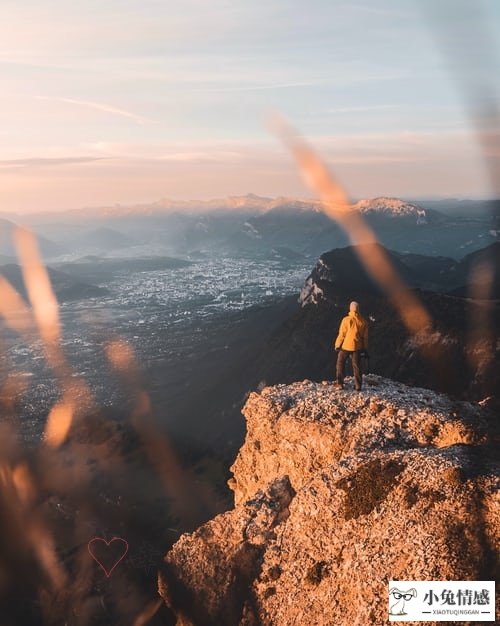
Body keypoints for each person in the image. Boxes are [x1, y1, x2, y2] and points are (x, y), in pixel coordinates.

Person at [334, 301, 369, 391]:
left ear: (351, 309)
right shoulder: (363, 321)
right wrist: (365, 349)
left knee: (340, 363)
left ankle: (340, 383)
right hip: (358, 347)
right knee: (356, 366)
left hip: (346, 346)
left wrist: (337, 345)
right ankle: (358, 385)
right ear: (358, 309)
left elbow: (342, 334)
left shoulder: (346, 320)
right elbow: (365, 338)